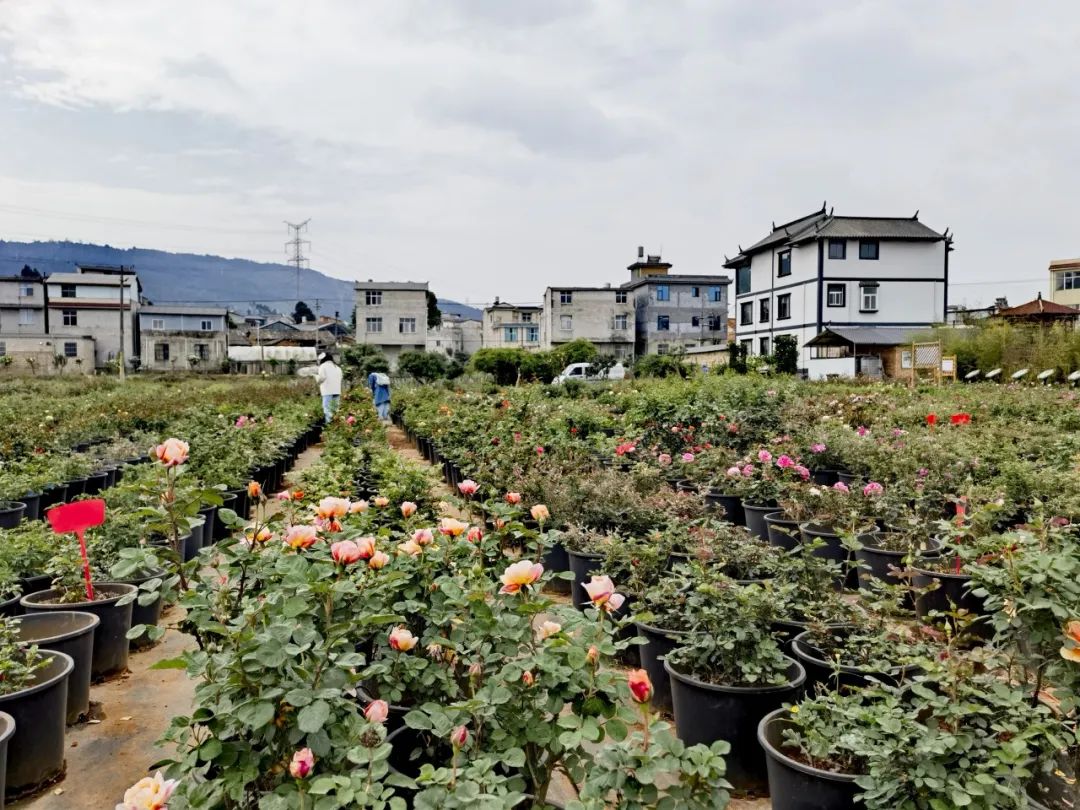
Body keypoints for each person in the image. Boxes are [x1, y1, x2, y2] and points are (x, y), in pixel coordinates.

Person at [316, 352, 343, 424]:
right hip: (337, 391)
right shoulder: (338, 368)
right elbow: (341, 378)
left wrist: (317, 379)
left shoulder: (323, 366)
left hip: (327, 391)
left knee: (327, 410)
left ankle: (329, 425)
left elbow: (322, 378)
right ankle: (336, 426)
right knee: (335, 409)